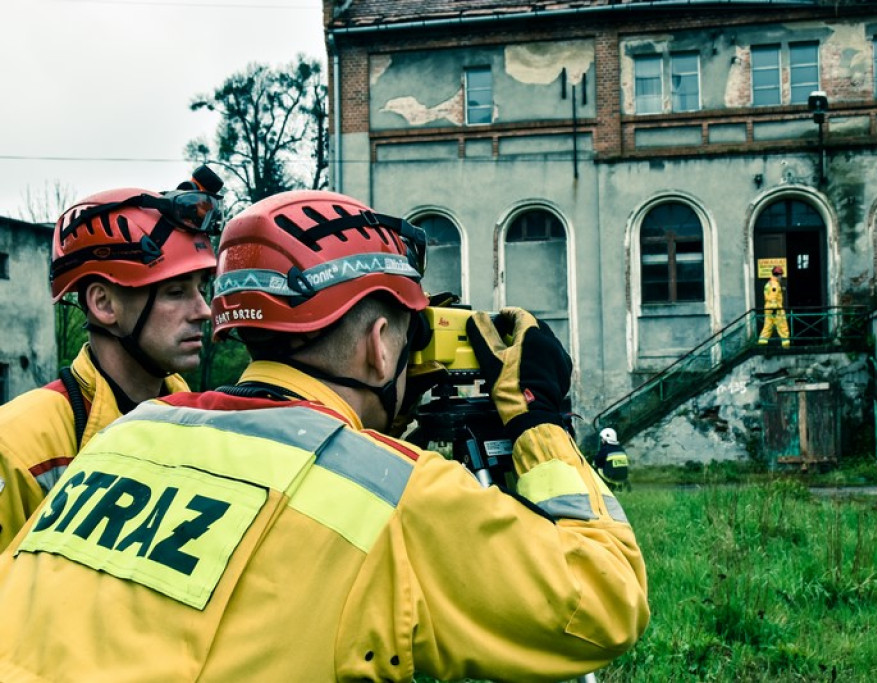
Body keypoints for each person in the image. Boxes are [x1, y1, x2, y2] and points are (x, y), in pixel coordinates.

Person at [0, 190, 649, 682]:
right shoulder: (393, 491)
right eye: (410, 331)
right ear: (379, 343)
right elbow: (604, 601)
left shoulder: (125, 435)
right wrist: (537, 421)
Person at [0, 166, 222, 551]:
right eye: (175, 292)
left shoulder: (198, 422)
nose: (203, 310)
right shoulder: (17, 443)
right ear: (104, 304)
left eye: (200, 289)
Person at [758, 264, 790, 347]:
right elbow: (773, 295)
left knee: (768, 325)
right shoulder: (775, 284)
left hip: (768, 308)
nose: (781, 277)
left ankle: (762, 342)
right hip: (775, 308)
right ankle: (786, 345)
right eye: (781, 275)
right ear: (778, 275)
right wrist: (774, 308)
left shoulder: (768, 283)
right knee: (782, 325)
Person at [594, 427, 631, 492]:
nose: (601, 440)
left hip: (611, 478)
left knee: (596, 469)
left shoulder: (605, 449)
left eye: (602, 438)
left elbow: (597, 463)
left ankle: (603, 488)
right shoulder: (621, 449)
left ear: (605, 439)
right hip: (623, 477)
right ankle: (620, 486)